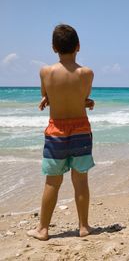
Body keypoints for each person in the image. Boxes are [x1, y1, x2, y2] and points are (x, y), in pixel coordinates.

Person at [27, 24, 95, 240]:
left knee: (52, 181)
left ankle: (43, 229)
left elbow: (47, 93)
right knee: (81, 180)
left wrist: (48, 97)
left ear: (53, 47)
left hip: (56, 130)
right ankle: (84, 227)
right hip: (81, 129)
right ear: (78, 46)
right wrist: (87, 102)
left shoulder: (45, 72)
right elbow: (81, 97)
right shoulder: (87, 73)